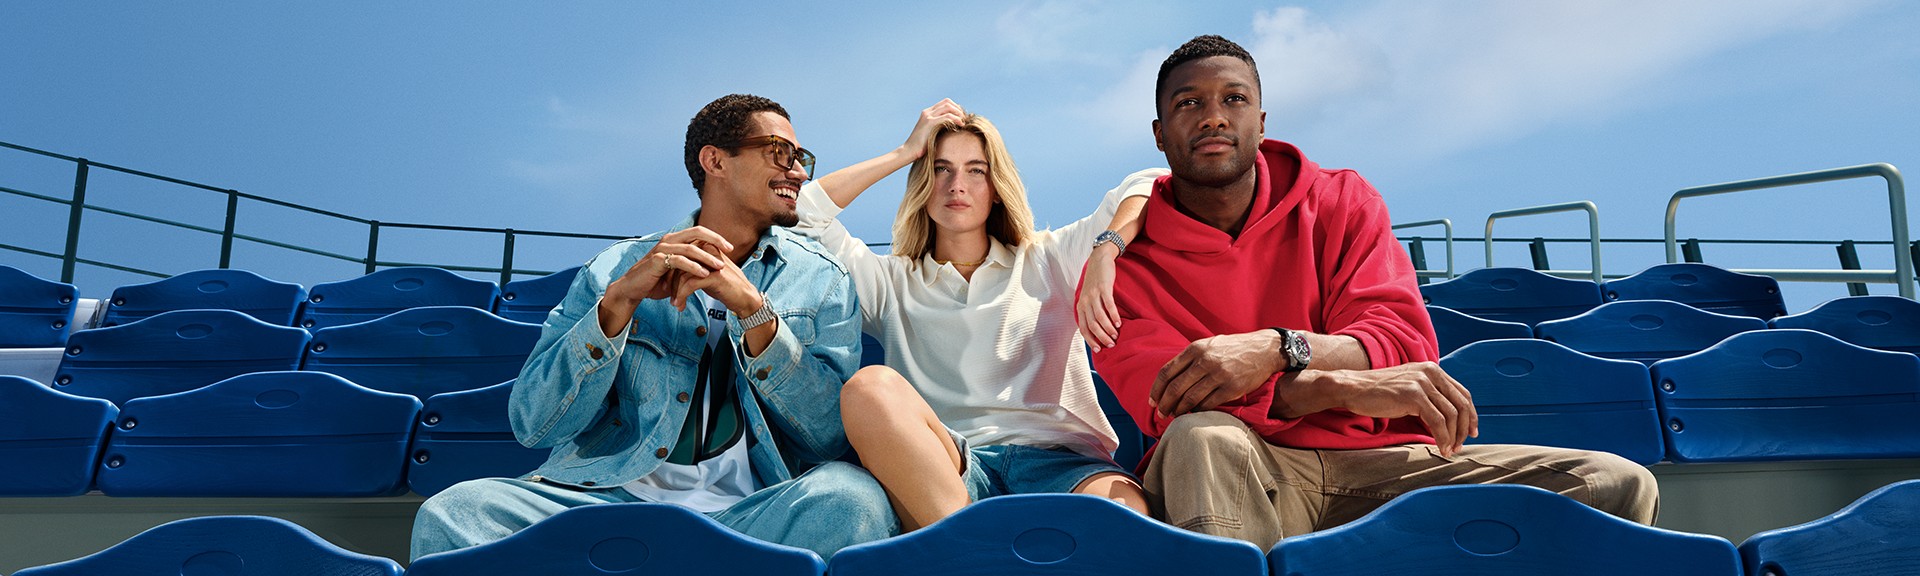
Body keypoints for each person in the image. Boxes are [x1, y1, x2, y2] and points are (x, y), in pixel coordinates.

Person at [1086, 35, 1659, 548]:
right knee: (1199, 437)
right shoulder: (1119, 273)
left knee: (1614, 483)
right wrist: (1344, 386)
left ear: (1261, 121)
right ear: (1160, 135)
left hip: (1385, 463)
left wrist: (1274, 349)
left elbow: (1401, 340)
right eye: (1189, 103)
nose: (1213, 117)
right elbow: (1177, 400)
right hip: (1251, 472)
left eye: (1233, 99)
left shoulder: (1341, 201)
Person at [411, 94, 895, 560]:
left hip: (755, 511)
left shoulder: (823, 278)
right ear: (715, 161)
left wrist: (755, 313)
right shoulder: (613, 268)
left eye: (800, 156)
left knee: (852, 499)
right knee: (455, 513)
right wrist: (616, 305)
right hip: (607, 499)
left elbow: (828, 437)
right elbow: (534, 423)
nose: (798, 171)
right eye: (779, 153)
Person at [794, 100, 1164, 531]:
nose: (957, 184)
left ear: (996, 184)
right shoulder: (890, 282)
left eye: (976, 170)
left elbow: (1153, 181)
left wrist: (1106, 248)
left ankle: (971, 548)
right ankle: (968, 547)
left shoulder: (1050, 258)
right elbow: (803, 215)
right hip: (949, 471)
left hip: (1063, 465)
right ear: (922, 182)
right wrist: (905, 152)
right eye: (940, 168)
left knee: (1128, 519)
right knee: (868, 387)